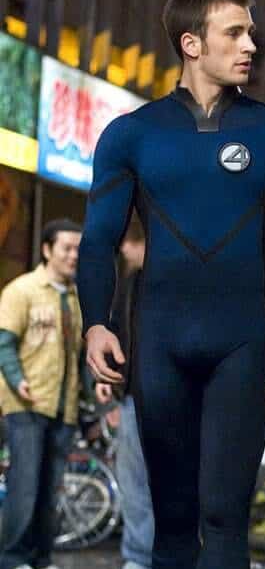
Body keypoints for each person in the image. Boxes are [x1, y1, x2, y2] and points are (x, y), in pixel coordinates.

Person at [77, 0, 265, 569]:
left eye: (251, 33)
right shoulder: (131, 135)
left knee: (225, 520)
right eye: (234, 33)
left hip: (241, 346)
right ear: (192, 44)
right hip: (158, 345)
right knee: (171, 523)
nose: (251, 45)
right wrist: (96, 323)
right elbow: (98, 240)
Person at [0, 219, 84, 569]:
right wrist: (17, 379)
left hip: (64, 407)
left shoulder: (78, 299)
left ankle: (41, 557)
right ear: (47, 250)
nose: (74, 255)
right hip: (27, 403)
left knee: (50, 489)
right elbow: (4, 342)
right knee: (26, 485)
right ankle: (12, 558)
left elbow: (79, 353)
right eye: (67, 248)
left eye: (79, 249)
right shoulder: (22, 290)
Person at [95, 227, 154, 569]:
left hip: (179, 396)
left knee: (175, 479)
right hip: (133, 396)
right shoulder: (128, 284)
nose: (126, 251)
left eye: (131, 243)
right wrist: (109, 383)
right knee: (134, 481)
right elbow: (114, 332)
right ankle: (138, 556)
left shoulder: (186, 281)